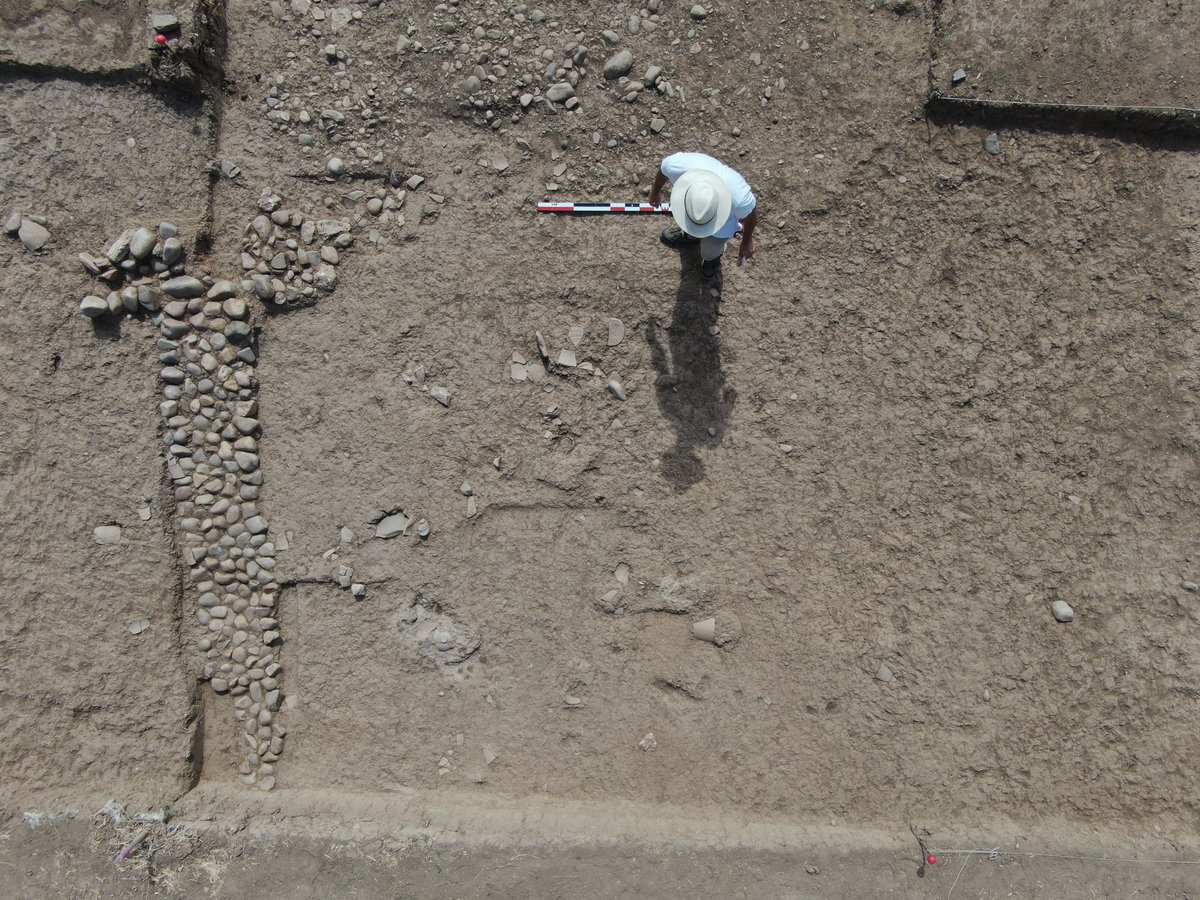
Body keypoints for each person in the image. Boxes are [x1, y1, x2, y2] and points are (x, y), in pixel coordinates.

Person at [648, 152, 758, 280]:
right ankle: (690, 235)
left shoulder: (739, 199)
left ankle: (711, 259)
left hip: (721, 229)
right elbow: (664, 169)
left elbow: (751, 211)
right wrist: (655, 192)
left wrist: (746, 240)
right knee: (692, 223)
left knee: (713, 247)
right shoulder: (676, 166)